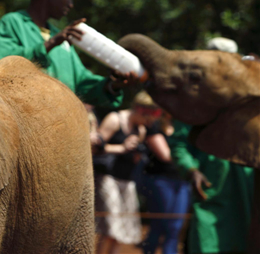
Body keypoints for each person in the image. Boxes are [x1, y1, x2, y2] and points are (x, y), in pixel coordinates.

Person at [0, 0, 137, 108]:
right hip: (25, 120)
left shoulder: (61, 36)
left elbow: (81, 83)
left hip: (60, 124)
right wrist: (51, 43)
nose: (71, 4)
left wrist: (113, 85)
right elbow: (4, 66)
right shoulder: (13, 23)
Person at [168, 38, 255, 254]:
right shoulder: (193, 100)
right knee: (207, 242)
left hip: (248, 185)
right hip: (210, 186)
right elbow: (179, 144)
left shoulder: (249, 96)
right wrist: (191, 170)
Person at [94, 91, 159, 254]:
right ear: (139, 109)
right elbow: (94, 148)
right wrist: (121, 148)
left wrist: (136, 153)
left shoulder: (141, 130)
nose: (148, 122)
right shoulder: (115, 119)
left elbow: (134, 156)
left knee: (123, 231)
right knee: (110, 229)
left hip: (127, 180)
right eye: (147, 118)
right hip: (108, 178)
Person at [141, 113, 191, 254]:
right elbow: (165, 155)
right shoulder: (155, 125)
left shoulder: (185, 127)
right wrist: (185, 156)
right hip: (160, 180)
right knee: (159, 224)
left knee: (175, 226)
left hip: (182, 182)